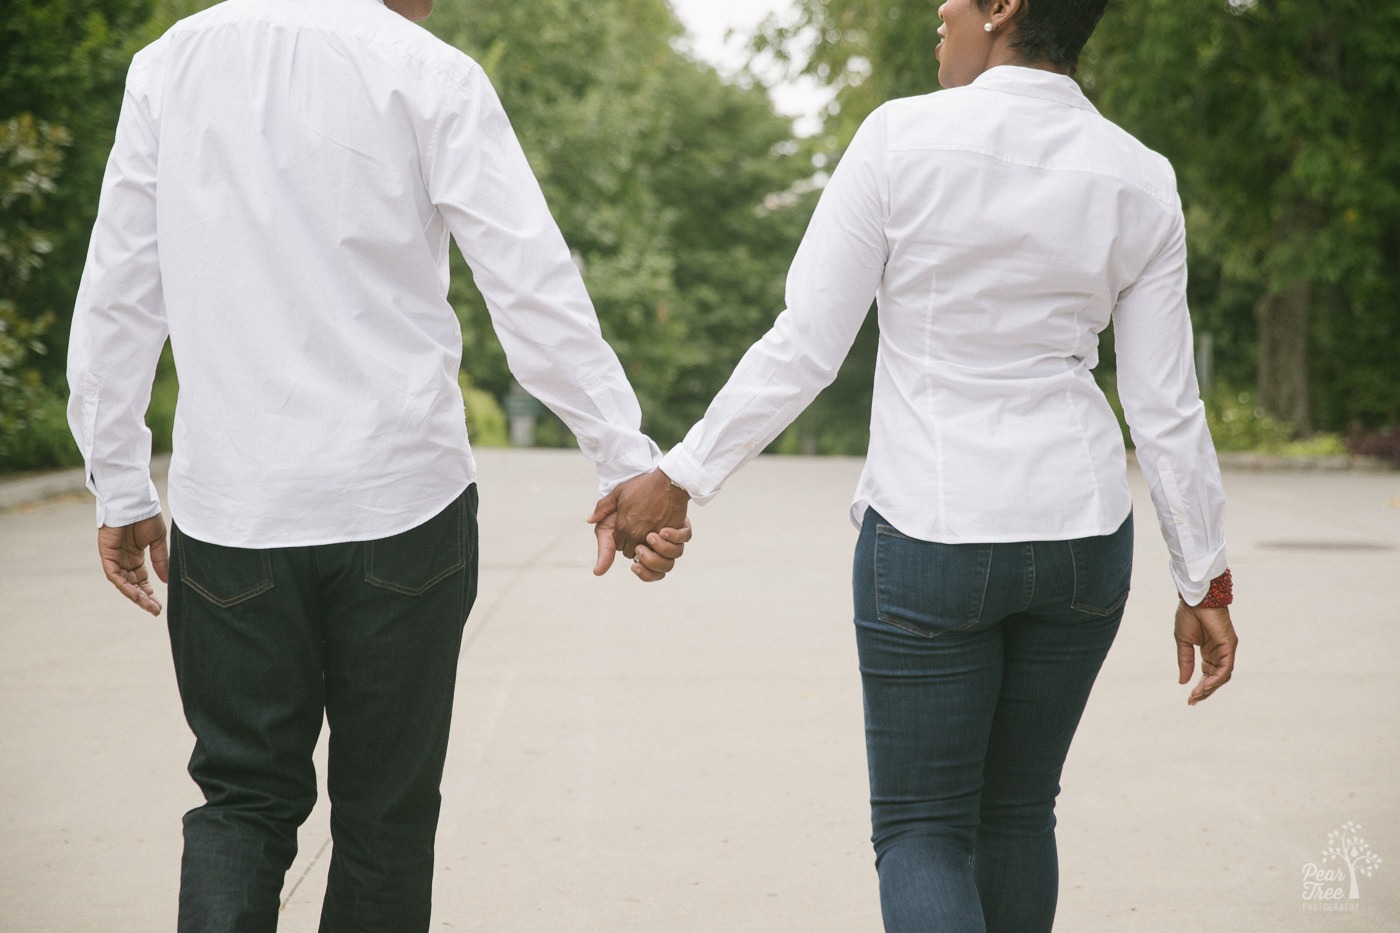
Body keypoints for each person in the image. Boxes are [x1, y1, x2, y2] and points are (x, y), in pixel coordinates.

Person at [600, 0, 1239, 929]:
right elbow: (1164, 405)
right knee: (1020, 813)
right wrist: (1203, 578)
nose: (939, 9)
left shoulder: (900, 139)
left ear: (1004, 7)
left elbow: (808, 344)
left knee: (924, 832)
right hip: (1082, 539)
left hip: (933, 537)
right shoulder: (1140, 177)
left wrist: (682, 473)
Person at [66, 0, 688, 929]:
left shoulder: (170, 64)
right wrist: (623, 456)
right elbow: (530, 282)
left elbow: (118, 288)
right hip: (404, 512)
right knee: (386, 819)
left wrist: (119, 480)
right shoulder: (430, 74)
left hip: (234, 512)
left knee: (242, 799)